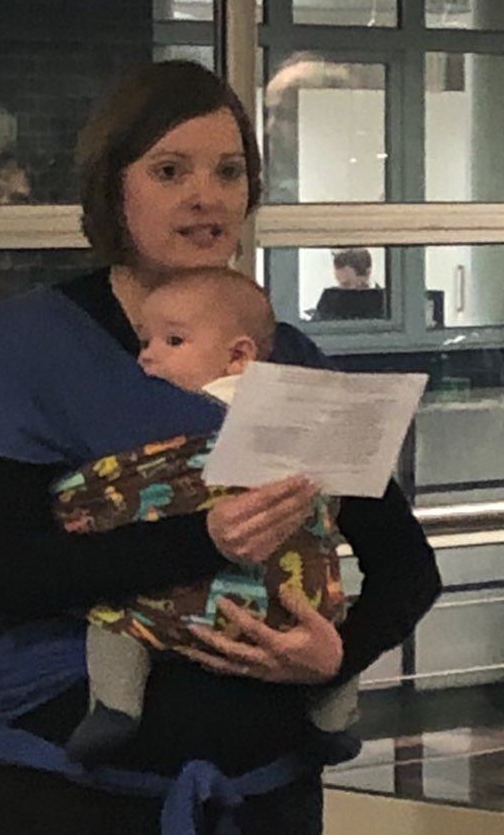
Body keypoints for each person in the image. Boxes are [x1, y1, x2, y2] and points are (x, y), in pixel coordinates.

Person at [0, 59, 441, 835]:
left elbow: (406, 567)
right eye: (170, 170)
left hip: (263, 819)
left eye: (228, 171)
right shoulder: (33, 347)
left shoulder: (283, 361)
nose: (206, 196)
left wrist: (335, 656)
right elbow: (10, 577)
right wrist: (205, 540)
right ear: (113, 189)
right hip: (75, 822)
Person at [59, 266, 357, 766]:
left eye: (173, 341)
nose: (147, 355)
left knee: (113, 622)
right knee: (334, 614)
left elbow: (120, 482)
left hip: (184, 604)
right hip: (289, 598)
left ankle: (115, 705)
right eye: (145, 341)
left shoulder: (154, 417)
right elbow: (335, 492)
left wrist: (73, 508)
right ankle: (335, 717)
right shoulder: (296, 413)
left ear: (238, 356)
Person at [315, 248, 385, 320]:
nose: (341, 288)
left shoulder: (386, 301)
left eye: (346, 284)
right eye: (339, 282)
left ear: (367, 273)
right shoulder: (329, 300)